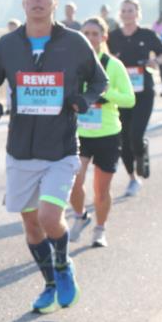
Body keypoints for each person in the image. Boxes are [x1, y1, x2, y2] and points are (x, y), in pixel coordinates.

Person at [0, 0, 107, 313]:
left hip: (60, 148)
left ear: (54, 1)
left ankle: (63, 267)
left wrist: (84, 99)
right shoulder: (8, 45)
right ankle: (49, 282)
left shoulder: (75, 42)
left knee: (50, 216)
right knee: (31, 223)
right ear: (23, 2)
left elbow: (100, 80)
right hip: (20, 149)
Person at [69, 17, 135, 247]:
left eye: (95, 34)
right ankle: (79, 216)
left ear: (104, 37)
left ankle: (100, 228)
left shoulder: (114, 65)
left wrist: (106, 94)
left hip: (107, 133)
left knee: (101, 190)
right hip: (79, 133)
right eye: (85, 33)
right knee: (73, 182)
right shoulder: (73, 63)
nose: (90, 38)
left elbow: (129, 100)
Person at [108, 0, 162, 197]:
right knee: (123, 140)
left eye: (130, 10)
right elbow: (102, 57)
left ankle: (141, 150)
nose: (127, 14)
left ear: (137, 13)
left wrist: (156, 61)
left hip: (143, 93)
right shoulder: (113, 37)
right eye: (124, 10)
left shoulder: (147, 34)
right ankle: (133, 178)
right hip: (120, 94)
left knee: (135, 135)